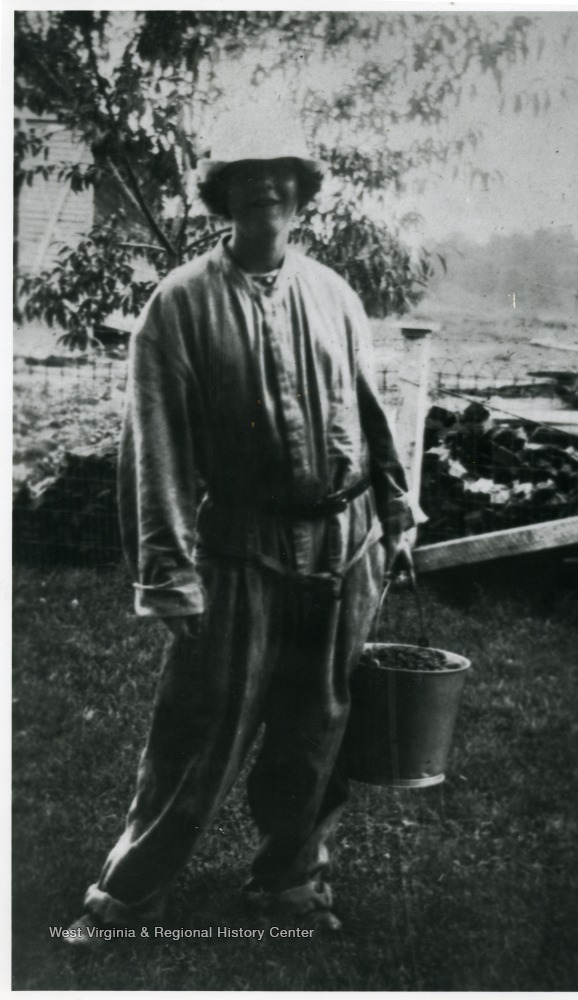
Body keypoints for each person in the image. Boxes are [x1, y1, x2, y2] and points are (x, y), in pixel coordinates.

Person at [67, 106, 415, 942]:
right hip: (241, 551)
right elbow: (155, 449)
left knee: (318, 725)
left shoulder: (333, 293)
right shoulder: (179, 304)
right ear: (223, 198)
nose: (266, 190)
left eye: (282, 179)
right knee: (203, 729)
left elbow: (373, 413)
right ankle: (127, 898)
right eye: (247, 180)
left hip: (343, 543)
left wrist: (398, 514)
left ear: (300, 198)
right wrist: (170, 573)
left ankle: (291, 882)